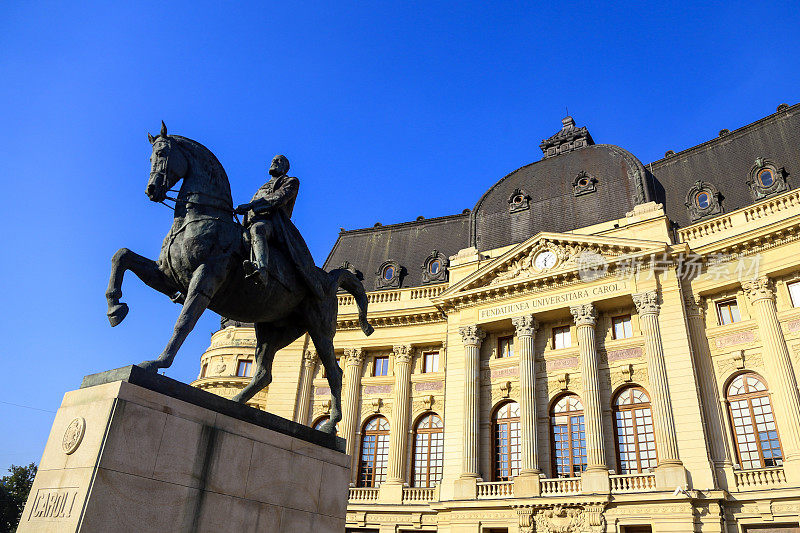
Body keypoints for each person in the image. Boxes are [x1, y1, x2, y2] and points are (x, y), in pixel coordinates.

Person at [235, 155, 325, 298]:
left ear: (285, 168)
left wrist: (251, 206)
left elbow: (279, 198)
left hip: (273, 225)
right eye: (273, 160)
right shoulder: (262, 187)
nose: (274, 162)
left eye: (279, 161)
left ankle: (262, 270)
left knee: (258, 229)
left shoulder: (291, 182)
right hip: (251, 222)